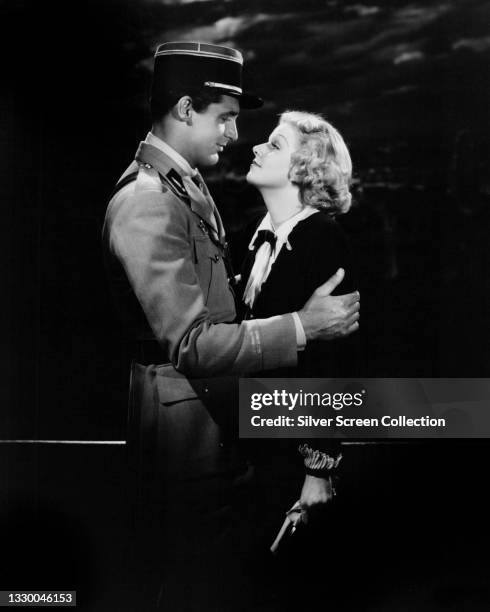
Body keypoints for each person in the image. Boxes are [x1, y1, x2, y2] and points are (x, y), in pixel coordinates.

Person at [102, 42, 360, 611]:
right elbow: (193, 343)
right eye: (226, 118)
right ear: (187, 110)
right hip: (186, 442)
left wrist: (320, 462)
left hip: (225, 437)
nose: (235, 135)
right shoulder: (148, 200)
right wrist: (301, 326)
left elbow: (333, 364)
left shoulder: (185, 187)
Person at [239, 111, 358, 607]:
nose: (255, 149)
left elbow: (338, 364)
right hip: (251, 447)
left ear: (304, 169)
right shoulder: (251, 234)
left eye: (274, 144)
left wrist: (318, 467)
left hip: (290, 456)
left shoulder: (326, 241)